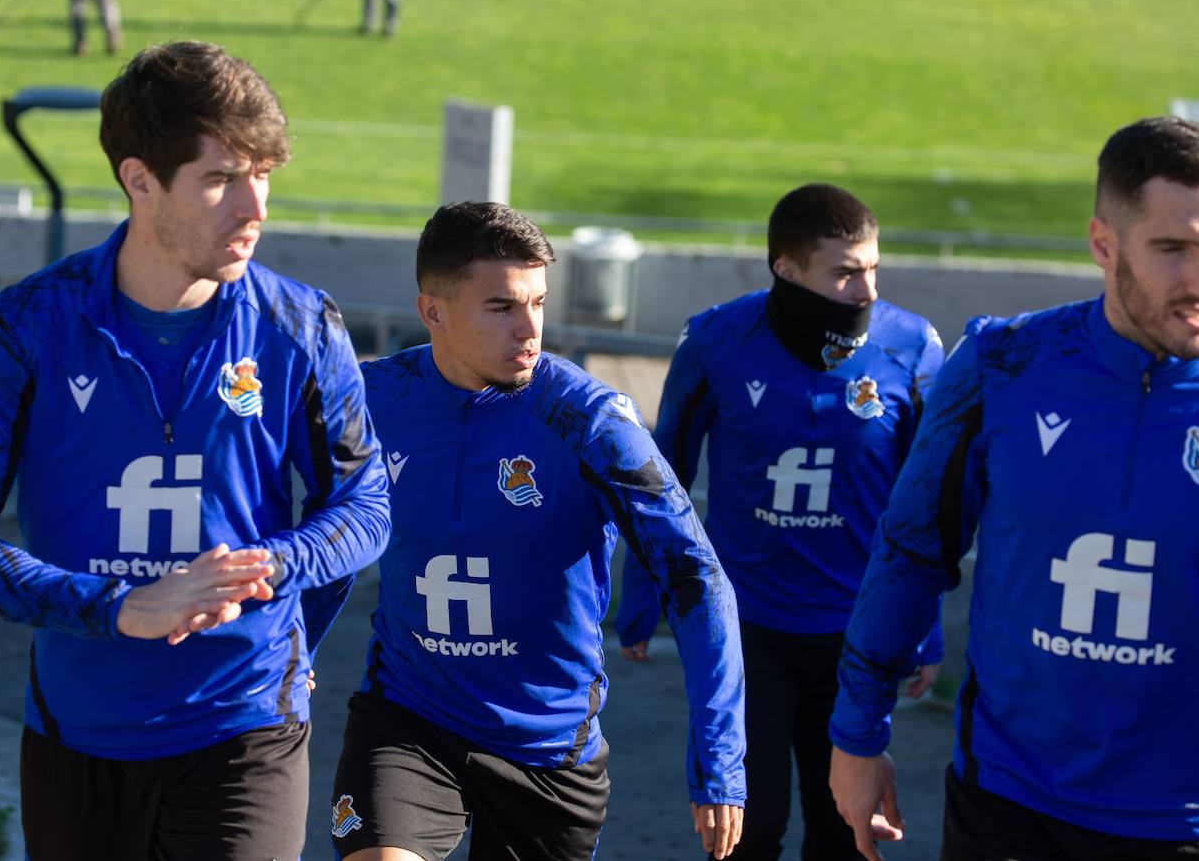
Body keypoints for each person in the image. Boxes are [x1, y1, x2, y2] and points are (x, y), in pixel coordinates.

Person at [0, 41, 390, 861]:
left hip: (247, 723)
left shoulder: (302, 326)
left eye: (263, 173)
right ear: (139, 181)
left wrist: (268, 570)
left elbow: (366, 503)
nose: (254, 207)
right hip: (77, 733)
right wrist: (112, 608)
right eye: (220, 179)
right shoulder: (28, 327)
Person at [829, 115, 1199, 861]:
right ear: (1104, 243)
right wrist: (856, 738)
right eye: (1173, 249)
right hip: (1010, 805)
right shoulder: (1003, 364)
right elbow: (910, 554)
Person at [329, 201, 747, 861]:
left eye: (538, 303)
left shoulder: (591, 422)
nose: (530, 329)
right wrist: (288, 654)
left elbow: (696, 576)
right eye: (501, 307)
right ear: (432, 311)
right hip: (409, 718)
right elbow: (331, 534)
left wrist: (720, 761)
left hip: (546, 749)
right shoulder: (374, 399)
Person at [614, 183, 944, 860]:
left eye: (874, 268)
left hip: (859, 631)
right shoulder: (716, 339)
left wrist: (924, 624)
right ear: (788, 270)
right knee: (747, 829)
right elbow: (663, 474)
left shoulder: (912, 348)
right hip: (746, 626)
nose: (866, 291)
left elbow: (927, 502)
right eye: (846, 272)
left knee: (843, 833)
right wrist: (644, 592)